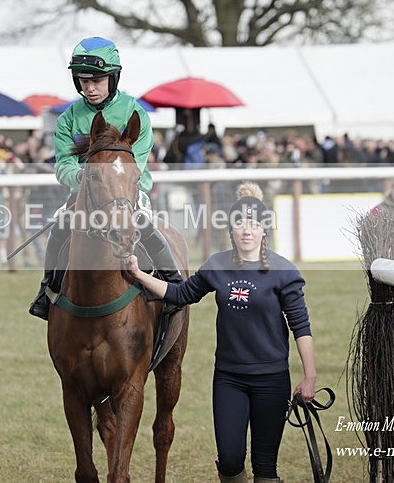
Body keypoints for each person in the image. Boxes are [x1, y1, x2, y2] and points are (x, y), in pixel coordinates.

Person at [126, 182, 317, 483]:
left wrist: (309, 377)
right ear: (230, 231)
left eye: (254, 224)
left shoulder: (284, 272)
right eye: (240, 224)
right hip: (229, 379)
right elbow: (180, 294)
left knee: (265, 466)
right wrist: (139, 275)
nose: (246, 231)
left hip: (271, 380)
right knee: (229, 460)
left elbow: (301, 327)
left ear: (264, 230)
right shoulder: (217, 265)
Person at [28, 36, 183, 320]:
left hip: (128, 191)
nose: (90, 88)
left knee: (146, 225)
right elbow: (63, 167)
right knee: (59, 227)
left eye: (97, 81)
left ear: (112, 78)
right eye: (83, 80)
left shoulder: (134, 112)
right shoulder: (67, 119)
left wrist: (110, 182)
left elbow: (137, 164)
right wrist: (85, 179)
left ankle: (174, 285)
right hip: (84, 194)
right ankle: (47, 289)